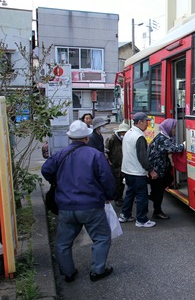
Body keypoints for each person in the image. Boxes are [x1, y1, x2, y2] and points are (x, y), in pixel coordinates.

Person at [41, 120, 116, 283]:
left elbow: (46, 170)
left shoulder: (60, 154)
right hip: (91, 206)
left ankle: (68, 273)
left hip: (66, 206)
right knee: (101, 238)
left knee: (63, 242)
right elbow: (107, 178)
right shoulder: (95, 155)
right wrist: (109, 195)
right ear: (86, 138)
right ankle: (97, 270)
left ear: (70, 138)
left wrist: (58, 182)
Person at [119, 112, 158, 228]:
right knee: (142, 196)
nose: (147, 124)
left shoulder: (129, 133)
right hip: (137, 171)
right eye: (146, 122)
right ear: (140, 122)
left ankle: (125, 215)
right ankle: (141, 219)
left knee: (130, 193)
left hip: (127, 169)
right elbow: (142, 157)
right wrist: (151, 170)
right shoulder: (139, 137)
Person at [148, 119, 185, 219]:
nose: (175, 130)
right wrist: (184, 145)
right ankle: (157, 212)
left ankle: (153, 196)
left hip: (159, 168)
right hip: (157, 170)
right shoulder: (163, 139)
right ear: (168, 128)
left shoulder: (162, 136)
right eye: (174, 127)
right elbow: (174, 149)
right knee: (159, 191)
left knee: (167, 180)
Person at [105, 123, 130, 207]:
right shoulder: (112, 139)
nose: (123, 134)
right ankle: (117, 198)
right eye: (122, 132)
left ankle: (120, 197)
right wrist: (109, 162)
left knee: (122, 183)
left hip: (124, 164)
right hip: (114, 164)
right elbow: (106, 151)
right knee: (116, 183)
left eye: (125, 132)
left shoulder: (127, 139)